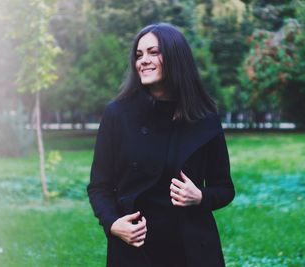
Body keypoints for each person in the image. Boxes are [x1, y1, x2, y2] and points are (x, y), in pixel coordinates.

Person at [87, 23, 235, 267]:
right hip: (136, 247)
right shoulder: (118, 114)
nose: (143, 60)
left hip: (193, 249)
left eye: (153, 52)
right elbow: (99, 186)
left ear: (176, 57)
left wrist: (200, 196)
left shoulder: (204, 117)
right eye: (139, 55)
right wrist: (113, 224)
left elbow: (224, 188)